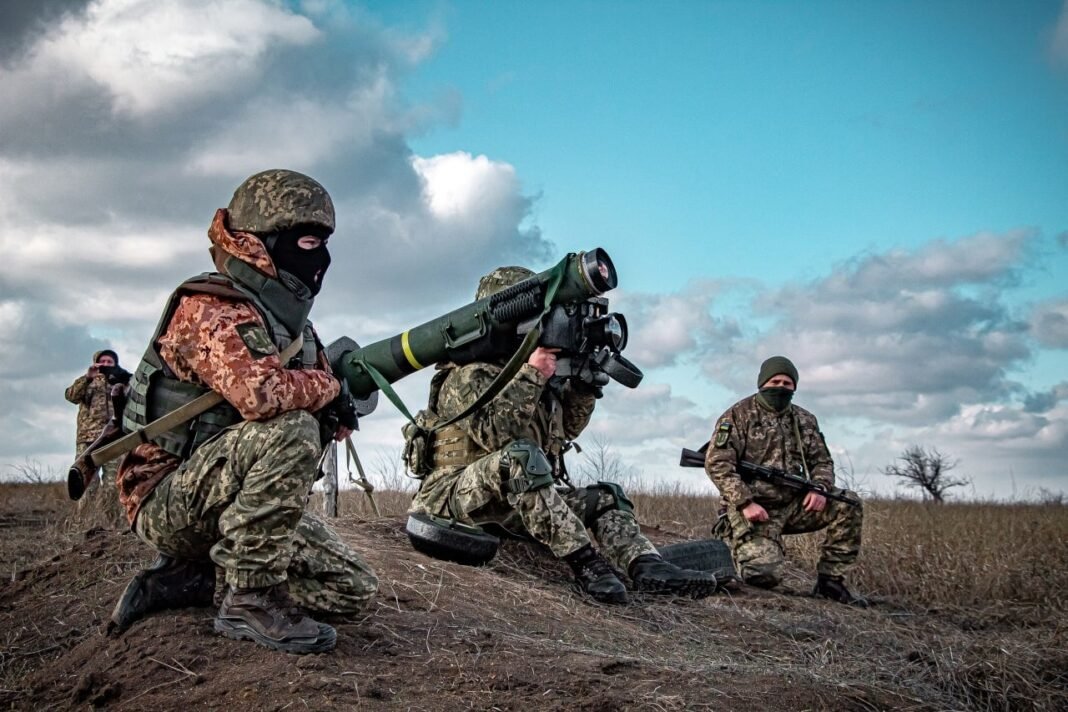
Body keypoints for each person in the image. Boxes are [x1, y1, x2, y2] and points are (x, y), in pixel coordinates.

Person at [110, 169, 378, 654]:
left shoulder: (292, 324)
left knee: (353, 590)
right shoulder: (211, 307)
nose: (320, 258)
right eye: (308, 243)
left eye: (324, 244)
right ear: (261, 243)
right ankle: (250, 599)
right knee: (293, 429)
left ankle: (194, 577)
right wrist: (329, 389)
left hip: (226, 499)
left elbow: (310, 393)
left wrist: (335, 413)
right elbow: (263, 395)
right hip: (166, 498)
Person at [407, 266, 718, 604]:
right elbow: (497, 436)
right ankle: (586, 563)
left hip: (510, 505)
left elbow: (565, 430)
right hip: (452, 497)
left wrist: (584, 388)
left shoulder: (535, 371)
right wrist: (533, 374)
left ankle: (647, 566)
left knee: (607, 496)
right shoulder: (467, 375)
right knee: (520, 456)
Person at [704, 356, 866, 606]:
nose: (780, 387)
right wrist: (745, 502)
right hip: (754, 510)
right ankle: (736, 546)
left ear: (794, 387)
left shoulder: (804, 420)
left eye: (787, 383)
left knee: (849, 504)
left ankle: (831, 581)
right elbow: (717, 463)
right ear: (762, 383)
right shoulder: (737, 415)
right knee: (763, 575)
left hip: (794, 505)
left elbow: (822, 462)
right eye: (775, 381)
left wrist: (819, 488)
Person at [65, 349, 129, 525]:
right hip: (88, 440)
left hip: (113, 439)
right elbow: (71, 396)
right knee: (87, 486)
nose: (106, 365)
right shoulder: (88, 381)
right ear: (95, 362)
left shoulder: (122, 382)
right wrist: (87, 377)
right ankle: (83, 524)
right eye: (103, 361)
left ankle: (113, 525)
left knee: (113, 485)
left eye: (110, 362)